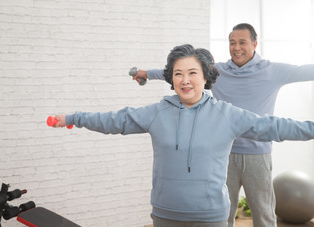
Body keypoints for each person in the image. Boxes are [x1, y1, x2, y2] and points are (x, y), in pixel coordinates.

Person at [52, 44, 314, 227]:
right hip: (166, 214)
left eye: (192, 73)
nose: (185, 80)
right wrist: (74, 118)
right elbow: (115, 120)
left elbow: (276, 127)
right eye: (178, 74)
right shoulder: (158, 113)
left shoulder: (227, 115)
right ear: (171, 78)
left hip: (211, 217)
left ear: (206, 77)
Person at [131, 23, 314, 227]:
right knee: (225, 215)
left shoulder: (272, 70)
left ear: (254, 44)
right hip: (223, 154)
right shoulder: (218, 71)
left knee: (264, 214)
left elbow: (304, 71)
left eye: (242, 42)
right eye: (232, 43)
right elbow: (177, 70)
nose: (236, 47)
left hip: (258, 153)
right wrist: (146, 73)